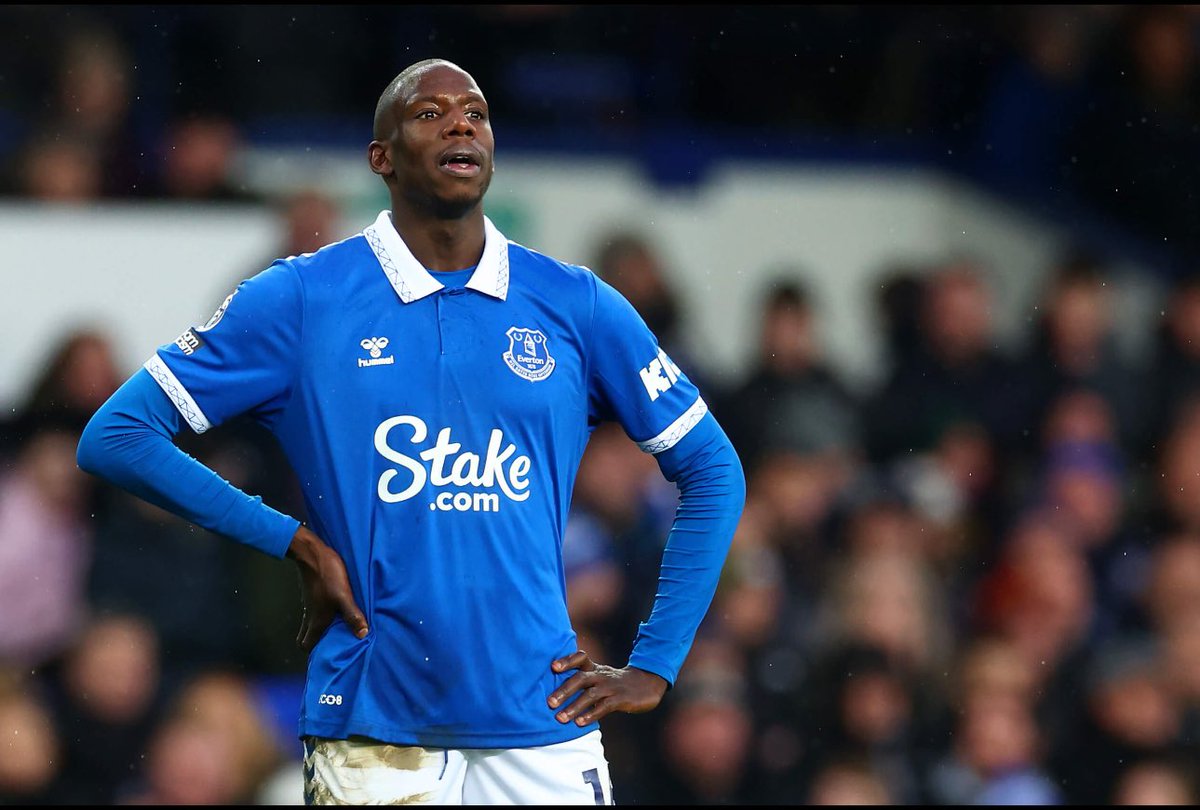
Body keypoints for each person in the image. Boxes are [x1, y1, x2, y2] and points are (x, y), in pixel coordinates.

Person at [76, 58, 746, 805]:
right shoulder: (302, 298)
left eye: (476, 113)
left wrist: (655, 662)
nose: (461, 124)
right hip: (374, 726)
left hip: (545, 721)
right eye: (430, 113)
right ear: (382, 158)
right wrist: (291, 541)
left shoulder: (577, 304)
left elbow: (714, 469)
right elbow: (118, 435)